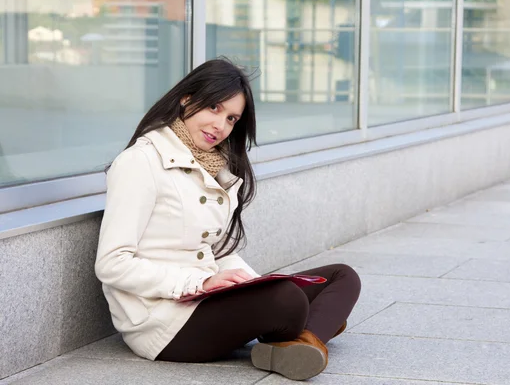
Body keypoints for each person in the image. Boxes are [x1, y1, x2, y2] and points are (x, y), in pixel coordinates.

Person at [95, 58, 361, 381]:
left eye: (231, 118)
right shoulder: (141, 162)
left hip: (208, 299)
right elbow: (112, 263)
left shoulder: (217, 167)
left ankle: (304, 340)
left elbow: (216, 251)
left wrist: (251, 285)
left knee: (342, 277)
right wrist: (198, 283)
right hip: (164, 322)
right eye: (214, 108)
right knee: (289, 301)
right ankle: (314, 326)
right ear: (187, 98)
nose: (220, 126)